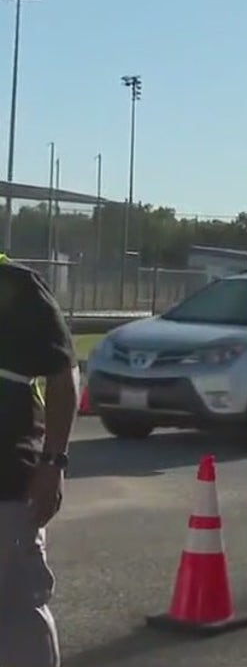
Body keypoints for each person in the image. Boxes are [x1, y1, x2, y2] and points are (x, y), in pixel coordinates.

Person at [0, 252, 78, 667]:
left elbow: (63, 374)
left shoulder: (17, 286)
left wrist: (54, 463)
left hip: (9, 483)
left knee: (18, 613)